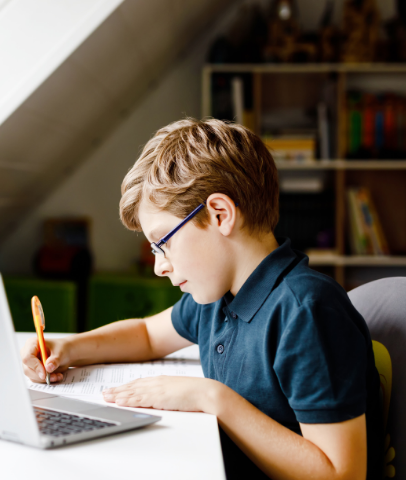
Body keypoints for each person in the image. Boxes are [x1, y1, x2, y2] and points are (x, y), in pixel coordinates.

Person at [21, 118, 383, 480]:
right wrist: (68, 348)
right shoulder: (218, 295)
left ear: (220, 214)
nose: (159, 266)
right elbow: (147, 335)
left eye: (164, 243)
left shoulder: (306, 312)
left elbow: (342, 473)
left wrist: (211, 398)